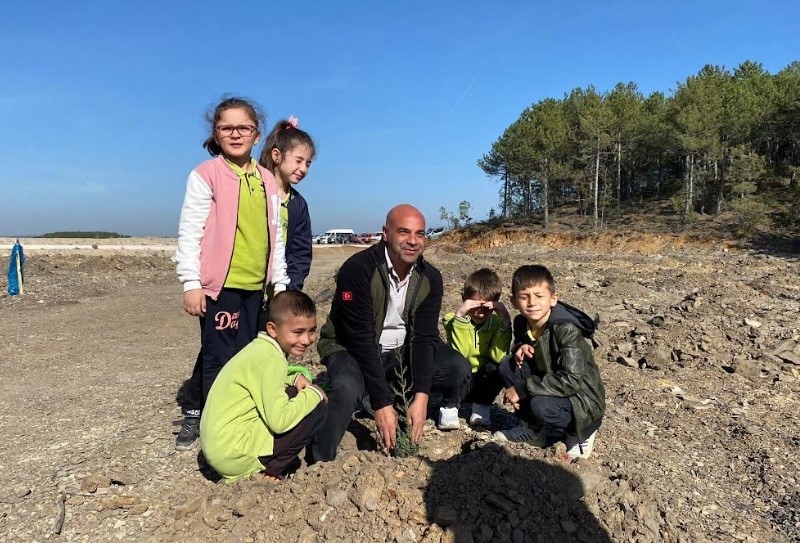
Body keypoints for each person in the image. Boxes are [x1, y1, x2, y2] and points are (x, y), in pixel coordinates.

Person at [310, 204, 472, 461]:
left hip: (400, 351)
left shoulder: (430, 277)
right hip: (352, 348)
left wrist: (422, 396)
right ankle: (321, 459)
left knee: (457, 367)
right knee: (347, 386)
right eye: (404, 232)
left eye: (420, 234)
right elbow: (361, 339)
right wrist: (381, 403)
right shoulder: (358, 269)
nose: (413, 241)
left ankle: (382, 393)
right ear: (386, 233)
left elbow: (424, 338)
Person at [174, 96, 290, 451]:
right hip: (220, 287)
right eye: (227, 128)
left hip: (256, 288)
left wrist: (280, 284)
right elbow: (190, 232)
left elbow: (276, 236)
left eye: (244, 128)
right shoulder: (205, 174)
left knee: (248, 355)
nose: (235, 134)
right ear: (216, 133)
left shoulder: (268, 179)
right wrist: (191, 283)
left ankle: (242, 419)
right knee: (219, 358)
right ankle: (217, 432)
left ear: (257, 134)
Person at [200, 291, 327, 483]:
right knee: (317, 407)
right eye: (298, 332)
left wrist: (294, 378)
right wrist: (314, 393)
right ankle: (268, 471)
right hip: (233, 456)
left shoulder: (260, 348)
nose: (307, 340)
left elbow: (265, 380)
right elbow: (279, 422)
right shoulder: (271, 360)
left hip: (219, 448)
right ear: (273, 329)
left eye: (312, 331)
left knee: (294, 393)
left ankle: (264, 461)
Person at [493, 264, 605, 461]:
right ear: (513, 301)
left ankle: (582, 432)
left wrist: (522, 389)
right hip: (552, 381)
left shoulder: (566, 329)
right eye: (524, 296)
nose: (532, 303)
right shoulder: (521, 322)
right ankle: (533, 428)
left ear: (553, 298)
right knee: (508, 366)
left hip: (582, 397)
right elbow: (527, 344)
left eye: (539, 296)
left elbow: (572, 380)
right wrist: (520, 346)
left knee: (542, 405)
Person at [442, 268, 511, 428]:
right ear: (464, 300)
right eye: (475, 305)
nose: (480, 312)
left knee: (500, 364)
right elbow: (459, 353)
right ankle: (449, 407)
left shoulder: (496, 323)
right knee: (456, 363)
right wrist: (460, 317)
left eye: (486, 306)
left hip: (481, 382)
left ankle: (481, 407)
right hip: (459, 380)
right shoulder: (452, 320)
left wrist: (506, 323)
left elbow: (498, 356)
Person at [258, 116, 315, 292]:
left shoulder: (298, 204)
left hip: (281, 290)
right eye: (298, 160)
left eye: (308, 163)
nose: (303, 169)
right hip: (247, 286)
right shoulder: (254, 191)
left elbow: (301, 252)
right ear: (276, 155)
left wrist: (291, 289)